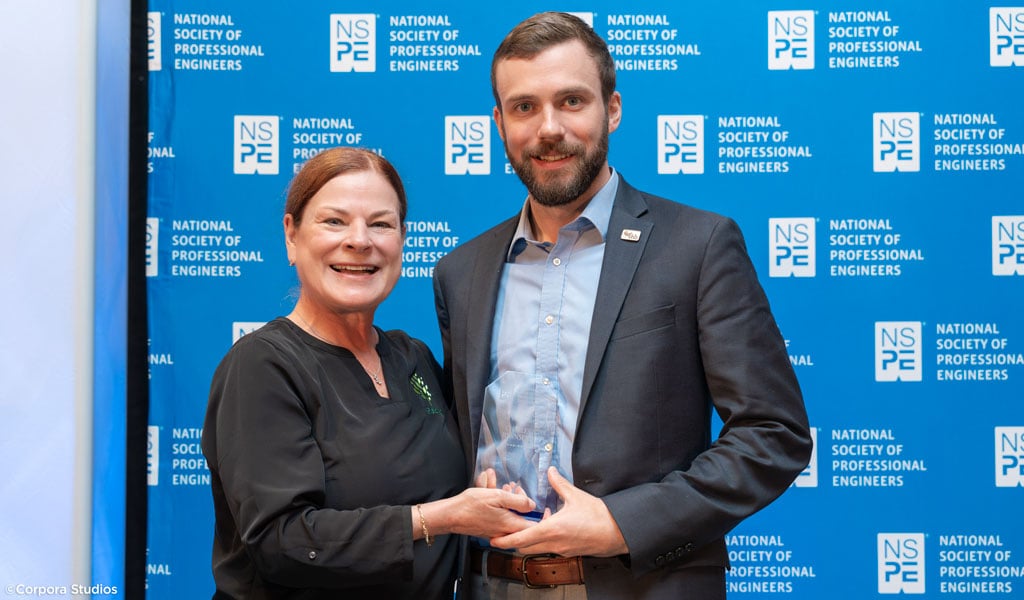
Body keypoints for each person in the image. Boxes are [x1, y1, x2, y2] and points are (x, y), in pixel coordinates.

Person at [432, 12, 813, 599]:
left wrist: (620, 524)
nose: (549, 129)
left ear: (612, 109)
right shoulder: (461, 271)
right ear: (499, 122)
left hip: (642, 584)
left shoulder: (698, 245)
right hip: (492, 584)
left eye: (571, 101)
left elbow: (773, 433)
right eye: (524, 107)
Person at [201, 147, 536, 600]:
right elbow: (282, 543)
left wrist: (486, 490)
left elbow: (436, 477)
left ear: (402, 240)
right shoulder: (263, 365)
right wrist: (441, 518)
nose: (360, 240)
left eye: (380, 224)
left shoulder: (411, 357)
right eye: (334, 221)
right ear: (291, 236)